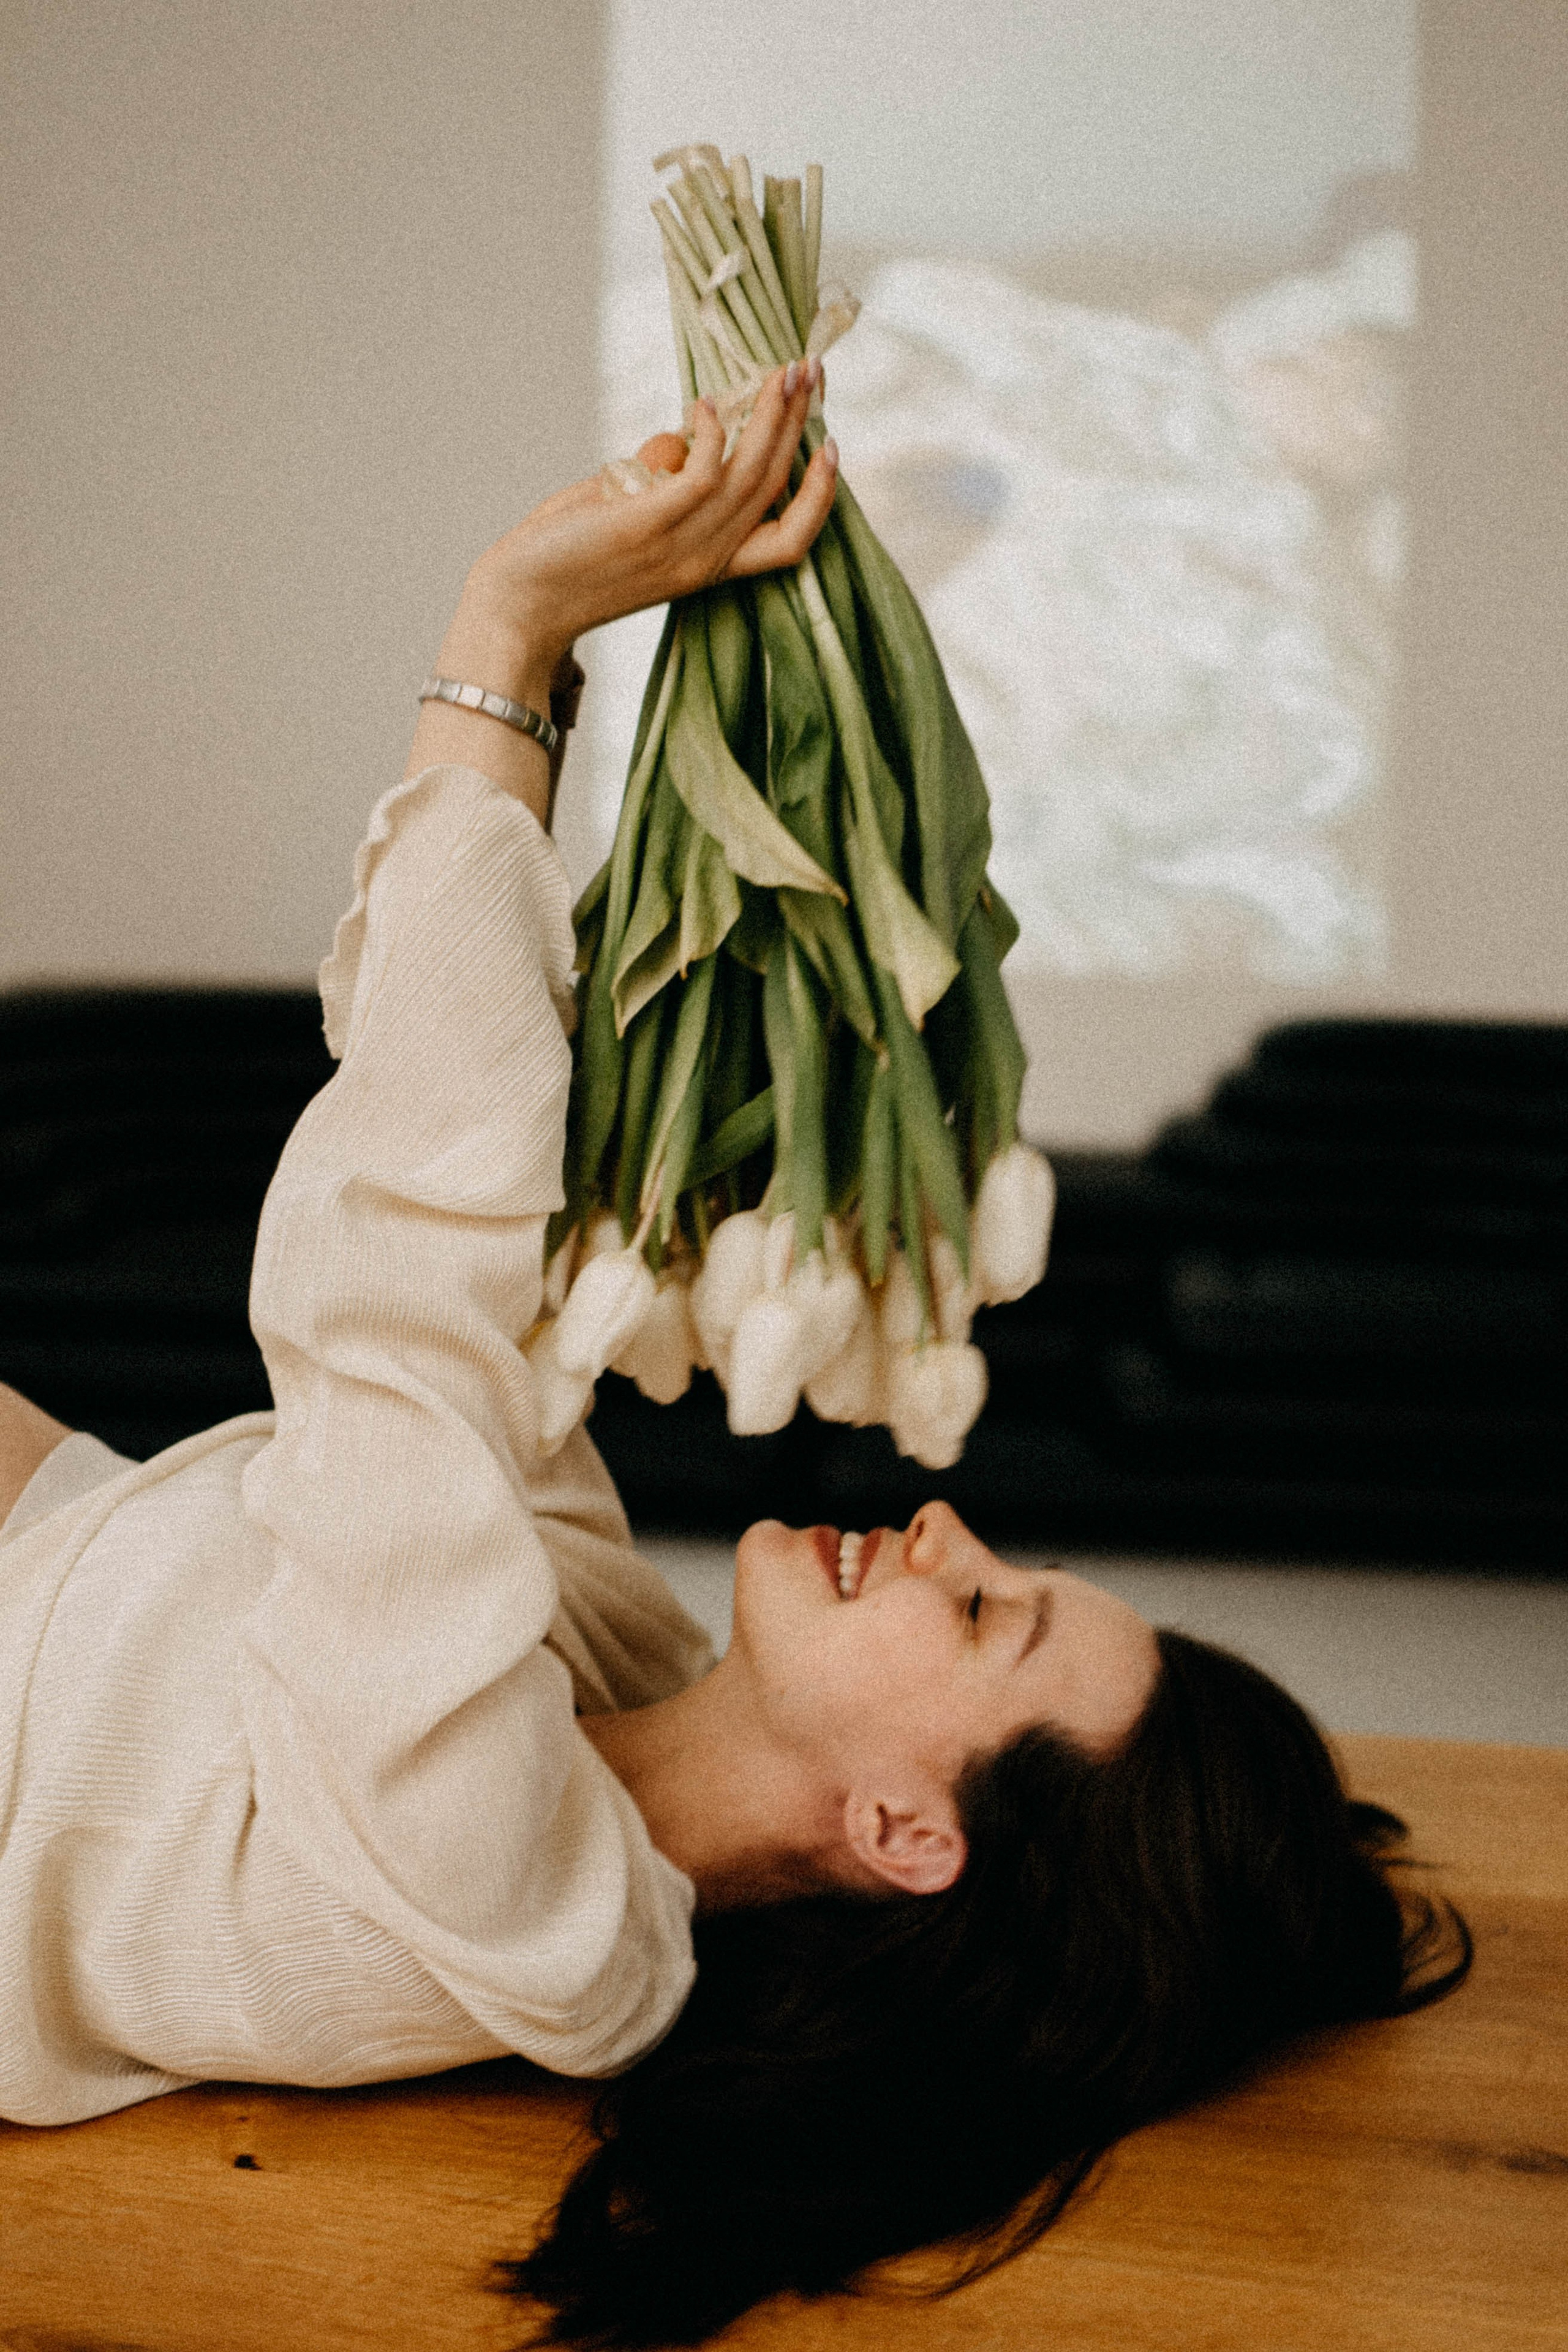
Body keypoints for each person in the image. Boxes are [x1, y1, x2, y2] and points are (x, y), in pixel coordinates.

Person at [0, 361, 1468, 2349]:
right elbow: (485, 1259)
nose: (948, 1527)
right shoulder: (598, 1655)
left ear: (906, 1836)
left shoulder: (512, 1882)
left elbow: (396, 1288)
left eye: (986, 1620)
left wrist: (509, 633)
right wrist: (697, 694)